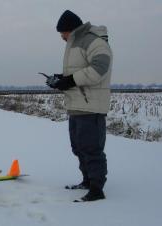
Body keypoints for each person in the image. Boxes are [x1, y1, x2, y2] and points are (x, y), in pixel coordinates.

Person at [45, 10, 113, 202]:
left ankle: (97, 190)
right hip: (76, 106)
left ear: (70, 29)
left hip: (90, 107)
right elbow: (77, 73)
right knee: (79, 148)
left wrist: (70, 81)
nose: (61, 37)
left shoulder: (94, 41)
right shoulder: (75, 43)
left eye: (62, 33)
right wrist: (61, 80)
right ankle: (87, 181)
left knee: (91, 149)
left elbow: (99, 68)